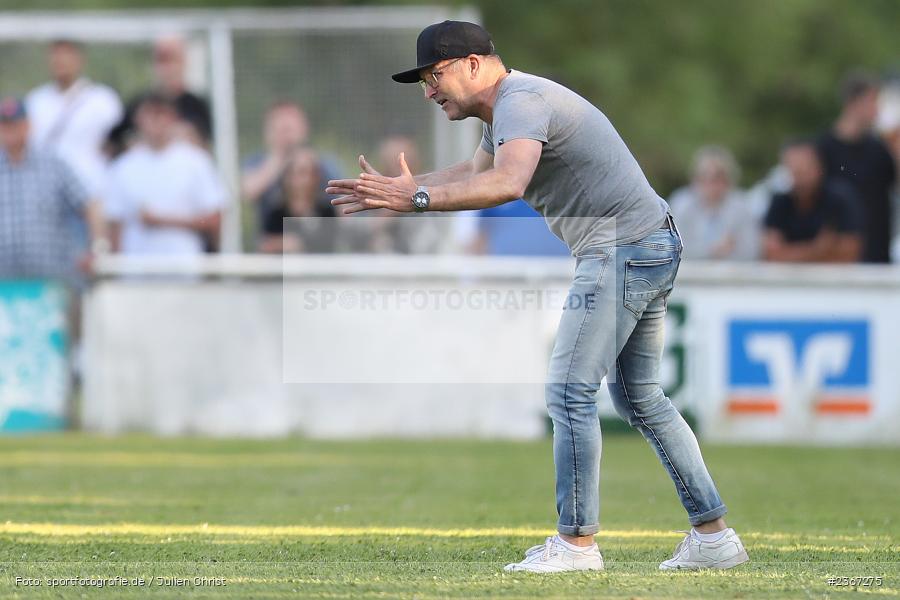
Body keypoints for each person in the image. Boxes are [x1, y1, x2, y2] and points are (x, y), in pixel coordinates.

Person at [327, 21, 748, 572]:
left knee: (570, 390)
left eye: (434, 75)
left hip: (621, 247)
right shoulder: (512, 106)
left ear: (473, 65)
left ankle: (577, 546)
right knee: (639, 397)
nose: (428, 90)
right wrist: (402, 190)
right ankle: (714, 537)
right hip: (647, 242)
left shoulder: (520, 101)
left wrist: (420, 199)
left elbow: (507, 183)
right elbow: (478, 171)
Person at [0, 96, 107, 285]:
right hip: (4, 284)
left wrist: (97, 247)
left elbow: (90, 204)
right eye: (4, 126)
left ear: (28, 125)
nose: (9, 132)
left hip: (52, 281)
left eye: (15, 125)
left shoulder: (53, 164)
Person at [105, 93, 226, 256]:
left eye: (161, 114)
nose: (156, 121)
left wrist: (162, 220)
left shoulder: (196, 161)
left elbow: (214, 220)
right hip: (135, 273)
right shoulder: (123, 167)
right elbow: (114, 225)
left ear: (173, 118)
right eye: (150, 114)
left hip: (185, 269)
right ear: (138, 119)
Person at [25, 39, 123, 201]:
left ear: (80, 60)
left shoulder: (102, 100)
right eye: (56, 55)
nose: (61, 61)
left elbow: (117, 143)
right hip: (48, 194)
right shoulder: (36, 101)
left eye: (67, 55)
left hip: (91, 191)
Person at [817, 71, 897, 263]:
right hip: (839, 258)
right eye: (873, 102)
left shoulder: (881, 149)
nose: (877, 111)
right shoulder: (822, 149)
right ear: (854, 102)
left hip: (877, 252)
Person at [241, 101, 342, 235]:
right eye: (280, 129)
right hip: (273, 242)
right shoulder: (258, 161)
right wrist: (278, 160)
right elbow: (248, 192)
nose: (286, 136)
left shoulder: (324, 162)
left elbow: (345, 205)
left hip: (318, 245)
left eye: (290, 129)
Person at [763, 140, 863, 262]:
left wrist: (793, 254)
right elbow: (772, 255)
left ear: (819, 166)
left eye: (804, 167)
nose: (799, 174)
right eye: (793, 168)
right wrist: (817, 249)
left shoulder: (839, 198)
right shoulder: (780, 200)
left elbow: (849, 253)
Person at [668, 146, 758, 260]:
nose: (711, 185)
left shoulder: (742, 206)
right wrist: (711, 251)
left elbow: (752, 251)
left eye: (718, 178)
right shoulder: (681, 204)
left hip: (733, 274)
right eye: (704, 177)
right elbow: (671, 249)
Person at [258, 148, 337, 254]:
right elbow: (264, 246)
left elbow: (331, 245)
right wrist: (282, 243)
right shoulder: (276, 211)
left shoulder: (326, 210)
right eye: (293, 172)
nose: (298, 179)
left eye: (307, 172)